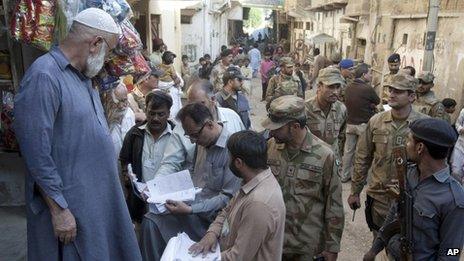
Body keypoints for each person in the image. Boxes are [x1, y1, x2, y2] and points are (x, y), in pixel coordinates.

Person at [13, 8, 141, 260]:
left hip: (96, 207)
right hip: (72, 211)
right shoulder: (44, 76)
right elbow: (35, 153)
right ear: (95, 44)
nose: (107, 60)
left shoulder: (83, 77)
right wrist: (59, 210)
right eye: (108, 51)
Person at [140, 103, 241, 260]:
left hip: (212, 219)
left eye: (195, 135)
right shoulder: (202, 141)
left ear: (209, 125)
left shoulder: (232, 148)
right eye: (189, 136)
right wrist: (160, 190)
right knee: (150, 220)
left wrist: (190, 210)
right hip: (191, 206)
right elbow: (193, 174)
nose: (193, 141)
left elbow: (227, 198)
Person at [363, 118, 464, 261]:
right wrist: (374, 250)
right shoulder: (408, 174)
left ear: (420, 148)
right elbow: (394, 214)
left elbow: (452, 251)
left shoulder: (454, 198)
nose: (406, 145)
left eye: (409, 140)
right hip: (389, 254)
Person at [348, 73, 427, 248]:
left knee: (409, 247)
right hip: (380, 197)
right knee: (379, 243)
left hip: (413, 200)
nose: (391, 94)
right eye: (390, 90)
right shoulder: (376, 121)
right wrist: (355, 191)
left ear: (412, 96)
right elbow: (362, 157)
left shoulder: (423, 125)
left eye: (398, 91)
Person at [263, 95, 344, 260]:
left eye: (277, 128)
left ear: (294, 126)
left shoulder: (324, 155)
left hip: (306, 246)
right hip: (273, 240)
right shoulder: (270, 147)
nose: (271, 131)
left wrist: (332, 247)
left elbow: (334, 203)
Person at [189, 130, 286, 260]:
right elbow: (226, 211)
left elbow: (238, 257)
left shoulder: (258, 204)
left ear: (239, 163)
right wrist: (212, 233)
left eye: (229, 156)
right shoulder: (251, 181)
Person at [154, 79, 245, 178]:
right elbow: (170, 163)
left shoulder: (232, 117)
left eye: (199, 104)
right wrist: (155, 186)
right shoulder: (184, 127)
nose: (194, 110)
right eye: (190, 105)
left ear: (213, 99)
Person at [119, 91, 175, 223]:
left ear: (168, 113)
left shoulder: (177, 135)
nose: (155, 118)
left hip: (168, 199)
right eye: (151, 113)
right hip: (140, 200)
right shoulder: (134, 134)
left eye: (160, 114)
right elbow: (124, 160)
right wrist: (128, 177)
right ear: (146, 111)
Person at [341, 63, 380, 183]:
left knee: (348, 152)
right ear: (364, 75)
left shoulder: (348, 87)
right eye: (369, 73)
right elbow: (377, 101)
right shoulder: (367, 89)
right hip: (363, 125)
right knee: (362, 153)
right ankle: (358, 178)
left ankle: (344, 175)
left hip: (350, 124)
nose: (371, 75)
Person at [305, 67, 347, 163]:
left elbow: (341, 137)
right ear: (319, 86)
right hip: (310, 163)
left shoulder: (341, 109)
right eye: (331, 87)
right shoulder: (305, 109)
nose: (336, 92)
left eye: (338, 87)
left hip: (332, 162)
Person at [101, 81, 136, 159]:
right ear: (107, 100)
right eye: (116, 102)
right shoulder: (102, 117)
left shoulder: (128, 114)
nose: (121, 106)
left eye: (124, 100)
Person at [158, 51, 183, 120]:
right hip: (170, 86)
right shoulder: (171, 67)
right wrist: (176, 83)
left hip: (162, 86)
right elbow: (175, 77)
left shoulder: (159, 66)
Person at [450, 107, 464, 184]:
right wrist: (460, 129)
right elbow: (457, 124)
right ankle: (455, 191)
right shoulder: (463, 111)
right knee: (456, 171)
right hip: (461, 145)